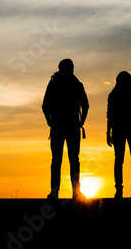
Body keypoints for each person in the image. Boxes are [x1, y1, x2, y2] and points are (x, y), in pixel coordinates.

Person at [42, 59, 89, 200]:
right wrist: (81, 122)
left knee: (57, 160)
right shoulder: (76, 84)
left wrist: (49, 121)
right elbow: (86, 105)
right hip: (72, 125)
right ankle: (76, 192)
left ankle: (55, 193)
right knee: (73, 160)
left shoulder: (54, 83)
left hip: (58, 125)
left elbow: (44, 106)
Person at [106, 71, 131, 199]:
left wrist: (108, 132)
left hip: (119, 129)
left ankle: (120, 190)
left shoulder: (114, 95)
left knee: (119, 160)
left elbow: (110, 115)